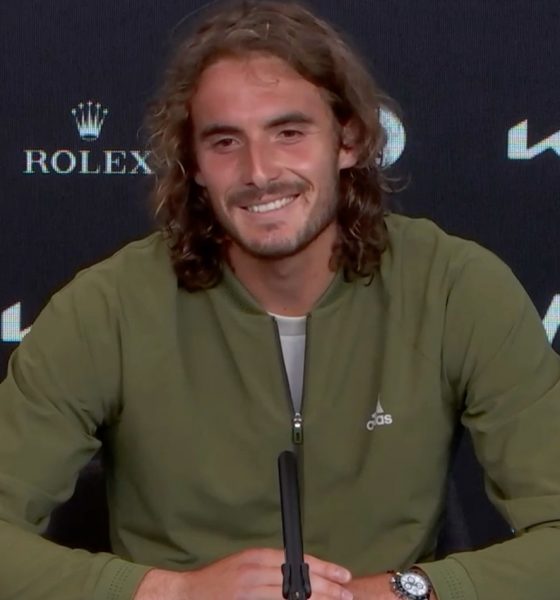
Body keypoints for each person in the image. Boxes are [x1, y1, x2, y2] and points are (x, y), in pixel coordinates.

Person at [1, 1, 560, 599]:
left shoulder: (455, 289)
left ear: (349, 139)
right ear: (194, 164)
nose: (260, 172)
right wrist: (174, 592)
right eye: (225, 142)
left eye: (289, 133)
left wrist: (398, 592)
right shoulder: (108, 307)